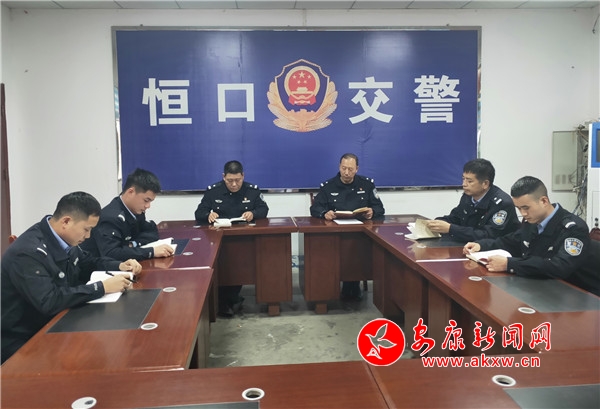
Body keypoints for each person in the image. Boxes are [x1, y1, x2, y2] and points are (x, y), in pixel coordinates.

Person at [1, 192, 142, 363]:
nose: (88, 236)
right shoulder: (28, 253)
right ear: (66, 222)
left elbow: (88, 262)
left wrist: (119, 265)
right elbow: (49, 301)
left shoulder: (64, 239)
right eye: (86, 229)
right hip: (22, 340)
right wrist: (102, 287)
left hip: (57, 322)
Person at [464, 176, 599, 296]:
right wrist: (481, 245)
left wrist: (509, 264)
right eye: (519, 208)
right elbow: (511, 241)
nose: (523, 214)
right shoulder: (533, 221)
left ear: (544, 201)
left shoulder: (573, 228)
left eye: (526, 208)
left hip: (580, 294)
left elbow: (559, 267)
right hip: (547, 288)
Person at [194, 160, 269, 317]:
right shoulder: (213, 191)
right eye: (230, 181)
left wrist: (253, 213)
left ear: (243, 176)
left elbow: (264, 209)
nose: (234, 184)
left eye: (237, 180)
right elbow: (199, 212)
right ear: (223, 177)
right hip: (220, 239)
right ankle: (229, 300)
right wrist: (208, 215)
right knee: (223, 266)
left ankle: (228, 300)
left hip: (244, 239)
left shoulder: (252, 190)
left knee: (239, 265)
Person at [310, 153, 385, 301]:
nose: (346, 172)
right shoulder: (328, 186)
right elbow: (315, 208)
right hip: (335, 233)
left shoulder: (367, 185)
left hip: (361, 234)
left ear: (357, 169)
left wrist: (372, 211)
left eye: (350, 169)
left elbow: (380, 208)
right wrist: (324, 213)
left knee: (357, 248)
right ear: (339, 167)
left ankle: (353, 283)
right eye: (344, 168)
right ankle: (332, 286)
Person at [81, 168, 173, 261]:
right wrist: (151, 252)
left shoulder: (136, 211)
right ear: (130, 192)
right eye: (146, 200)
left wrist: (133, 244)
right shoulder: (110, 218)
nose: (148, 206)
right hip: (96, 268)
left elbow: (152, 231)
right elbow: (112, 253)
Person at [427, 158, 520, 243]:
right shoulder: (468, 196)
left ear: (485, 184)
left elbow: (488, 235)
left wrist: (451, 229)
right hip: (471, 246)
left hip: (498, 250)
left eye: (469, 181)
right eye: (463, 179)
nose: (464, 184)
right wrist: (437, 222)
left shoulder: (502, 204)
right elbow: (456, 218)